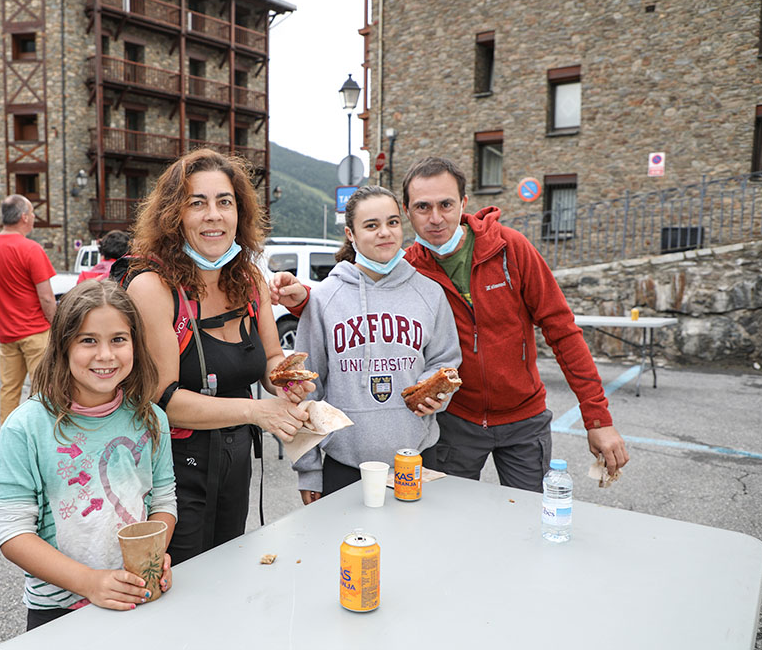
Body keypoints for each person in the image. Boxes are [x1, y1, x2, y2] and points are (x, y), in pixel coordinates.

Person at [273, 157, 629, 492]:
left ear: (464, 203)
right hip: (455, 424)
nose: (435, 218)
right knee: (450, 532)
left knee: (529, 524)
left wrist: (598, 419)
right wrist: (308, 299)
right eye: (422, 208)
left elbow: (563, 331)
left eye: (445, 204)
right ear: (409, 213)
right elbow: (358, 293)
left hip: (523, 418)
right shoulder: (411, 265)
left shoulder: (511, 250)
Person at [126, 149, 313, 565]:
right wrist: (257, 412)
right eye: (198, 203)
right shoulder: (153, 288)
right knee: (184, 584)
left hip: (235, 460)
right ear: (174, 216)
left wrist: (288, 379)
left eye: (224, 202)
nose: (214, 215)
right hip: (171, 470)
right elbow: (163, 400)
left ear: (239, 213)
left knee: (228, 570)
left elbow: (271, 360)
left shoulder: (248, 279)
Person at [0, 280, 176, 631]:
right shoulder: (24, 428)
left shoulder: (153, 418)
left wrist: (152, 558)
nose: (105, 355)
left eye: (119, 339)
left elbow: (164, 501)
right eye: (88, 340)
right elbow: (13, 533)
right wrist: (90, 582)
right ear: (62, 345)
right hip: (57, 613)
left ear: (136, 343)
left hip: (137, 596)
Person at [292, 185, 461, 503]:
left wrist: (438, 393)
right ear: (350, 234)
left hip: (415, 458)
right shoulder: (325, 299)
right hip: (344, 464)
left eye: (393, 222)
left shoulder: (429, 293)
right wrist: (309, 469)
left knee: (416, 549)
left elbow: (445, 360)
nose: (385, 233)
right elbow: (306, 389)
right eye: (371, 225)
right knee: (348, 551)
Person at [0, 195, 58, 423]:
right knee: (44, 389)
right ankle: (43, 436)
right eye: (32, 213)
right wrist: (56, 325)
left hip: (7, 332)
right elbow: (46, 296)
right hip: (35, 332)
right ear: (24, 217)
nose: (33, 218)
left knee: (9, 389)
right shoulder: (31, 249)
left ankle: (8, 437)